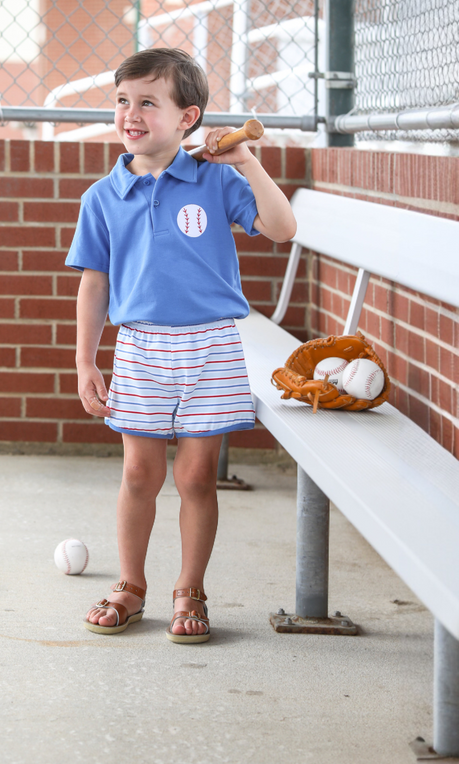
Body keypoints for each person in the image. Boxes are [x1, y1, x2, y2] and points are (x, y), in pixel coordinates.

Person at [64, 48, 296, 643]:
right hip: (141, 349)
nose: (131, 114)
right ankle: (132, 584)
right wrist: (86, 359)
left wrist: (246, 161)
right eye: (122, 101)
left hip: (212, 347)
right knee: (140, 474)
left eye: (148, 102)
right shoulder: (103, 196)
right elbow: (95, 283)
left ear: (187, 116)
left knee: (195, 478)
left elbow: (282, 227)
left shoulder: (217, 180)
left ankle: (190, 588)